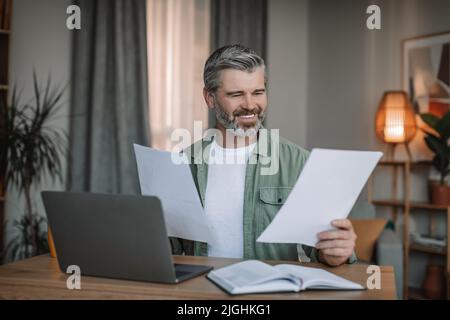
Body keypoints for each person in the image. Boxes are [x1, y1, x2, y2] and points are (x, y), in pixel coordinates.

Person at [170, 44, 356, 266]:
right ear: (210, 98)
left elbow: (322, 251)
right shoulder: (182, 163)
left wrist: (336, 251)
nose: (250, 105)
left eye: (258, 92)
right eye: (236, 94)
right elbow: (167, 246)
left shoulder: (299, 163)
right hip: (202, 293)